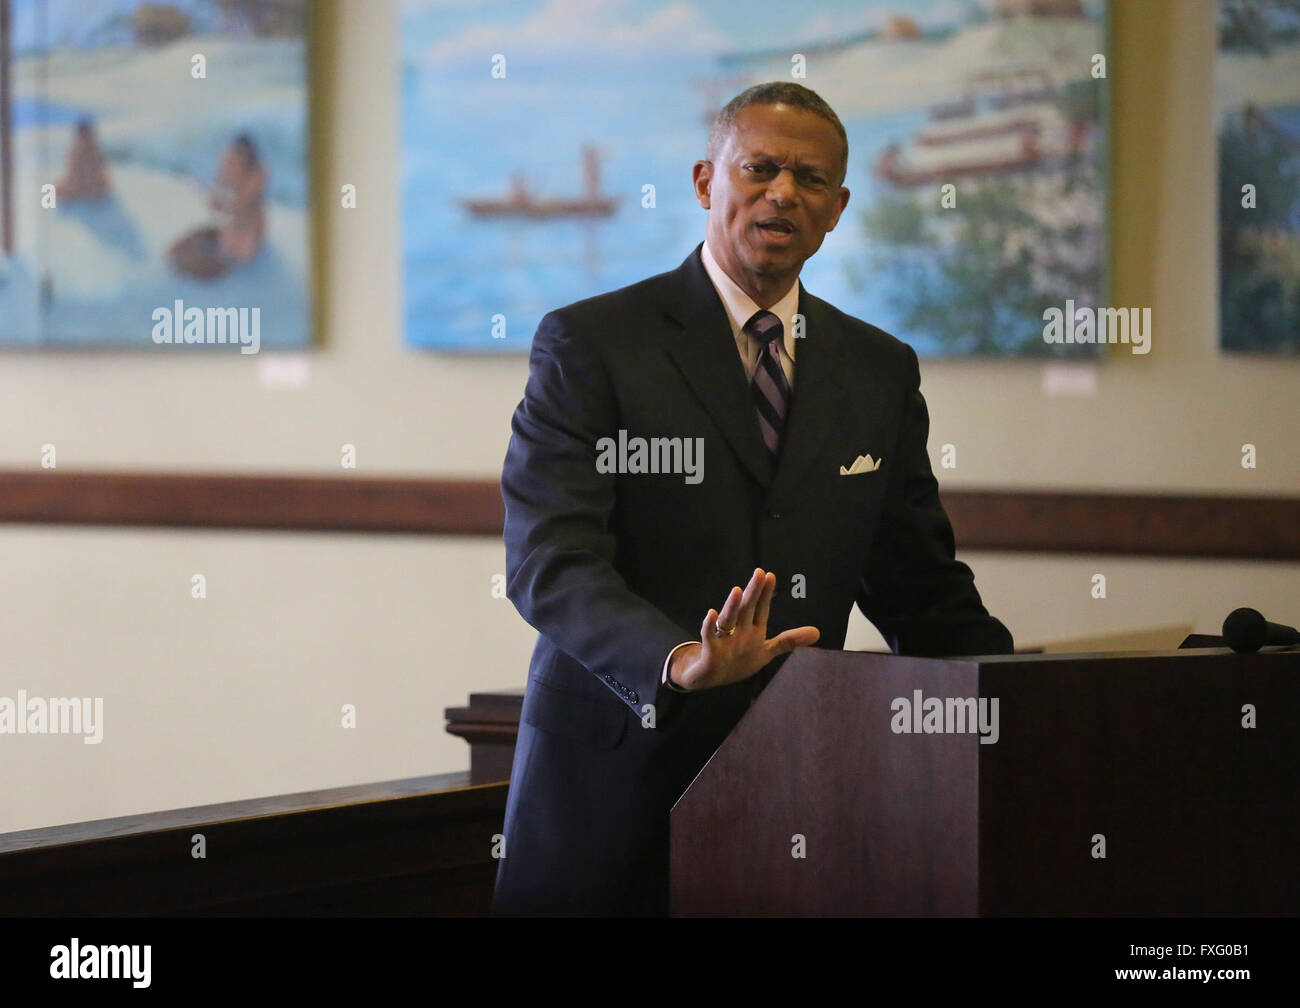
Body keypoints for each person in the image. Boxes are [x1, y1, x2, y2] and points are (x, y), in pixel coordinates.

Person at [494, 82, 1013, 917]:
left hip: (799, 792)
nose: (783, 193)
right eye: (759, 168)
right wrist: (677, 660)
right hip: (610, 789)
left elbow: (919, 583)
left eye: (809, 180)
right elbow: (549, 562)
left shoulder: (878, 368)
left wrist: (1022, 693)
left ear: (837, 208)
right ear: (707, 181)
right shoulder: (592, 343)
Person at [167, 134, 266, 280]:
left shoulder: (255, 178)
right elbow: (223, 194)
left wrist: (218, 202)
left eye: (233, 158)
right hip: (232, 233)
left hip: (242, 241)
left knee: (190, 261)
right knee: (179, 249)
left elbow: (236, 206)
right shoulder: (243, 176)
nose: (228, 162)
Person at [56, 119, 111, 202]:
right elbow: (73, 172)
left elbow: (100, 168)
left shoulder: (92, 149)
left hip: (90, 187)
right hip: (84, 186)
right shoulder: (77, 150)